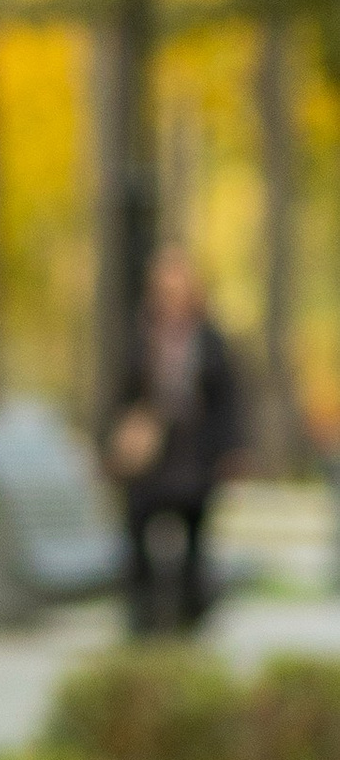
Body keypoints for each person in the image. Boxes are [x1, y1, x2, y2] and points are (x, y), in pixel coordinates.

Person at [108, 243, 245, 635]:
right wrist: (121, 441)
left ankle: (191, 611)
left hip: (195, 458)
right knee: (136, 520)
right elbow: (121, 396)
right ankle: (142, 613)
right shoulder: (140, 338)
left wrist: (231, 451)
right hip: (150, 462)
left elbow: (227, 399)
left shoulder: (211, 340)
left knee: (196, 527)